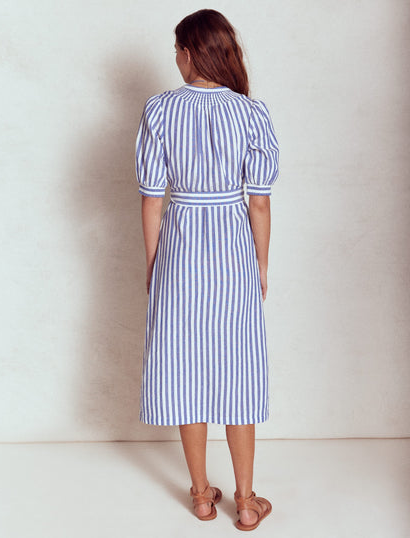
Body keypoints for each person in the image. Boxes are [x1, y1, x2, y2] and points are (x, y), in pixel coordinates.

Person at [135, 9, 279, 532]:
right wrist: (260, 264)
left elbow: (152, 200)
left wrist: (154, 264)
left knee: (185, 370)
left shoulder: (160, 110)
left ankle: (201, 497)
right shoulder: (251, 113)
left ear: (190, 51)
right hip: (232, 251)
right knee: (238, 370)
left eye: (177, 49)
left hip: (180, 250)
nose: (175, 58)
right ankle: (246, 501)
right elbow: (258, 201)